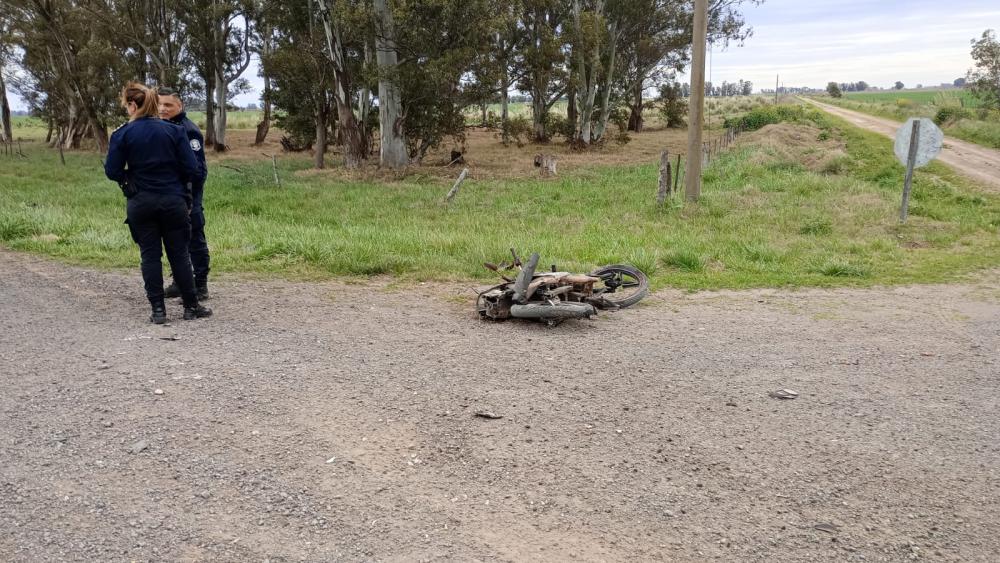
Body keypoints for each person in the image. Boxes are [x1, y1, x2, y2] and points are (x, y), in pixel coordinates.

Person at [104, 82, 212, 324]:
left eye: (126, 105)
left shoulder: (122, 134)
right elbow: (191, 168)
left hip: (140, 202)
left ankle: (158, 310)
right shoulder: (174, 131)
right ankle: (191, 307)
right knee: (180, 254)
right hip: (173, 200)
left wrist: (127, 181)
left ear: (132, 105)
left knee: (150, 256)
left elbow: (112, 170)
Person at [157, 87, 211, 301]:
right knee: (174, 241)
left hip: (188, 197)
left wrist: (188, 196)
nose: (163, 108)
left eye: (168, 104)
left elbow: (199, 170)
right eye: (160, 104)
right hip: (169, 197)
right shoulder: (161, 128)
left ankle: (200, 284)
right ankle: (179, 281)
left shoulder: (188, 130)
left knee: (194, 240)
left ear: (180, 106)